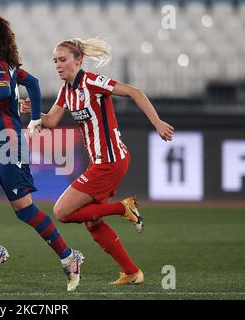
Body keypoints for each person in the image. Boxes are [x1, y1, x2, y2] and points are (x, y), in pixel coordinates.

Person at [21, 37, 174, 285]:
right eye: (55, 61)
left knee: (62, 211)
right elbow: (51, 121)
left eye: (63, 60)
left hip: (110, 161)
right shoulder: (66, 91)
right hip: (100, 162)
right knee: (92, 222)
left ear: (78, 59)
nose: (58, 65)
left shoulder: (92, 82)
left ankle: (123, 208)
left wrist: (157, 123)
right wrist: (34, 113)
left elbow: (134, 91)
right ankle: (132, 273)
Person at [0, 12, 84, 291]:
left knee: (24, 211)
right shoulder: (4, 64)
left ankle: (69, 257)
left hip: (9, 145)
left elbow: (1, 90)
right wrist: (35, 117)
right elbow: (33, 83)